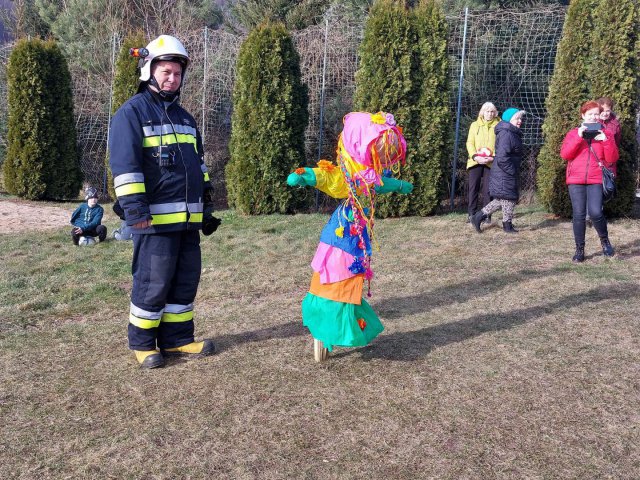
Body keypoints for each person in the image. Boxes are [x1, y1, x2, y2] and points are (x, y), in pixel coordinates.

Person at [108, 35, 221, 369]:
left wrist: (206, 208)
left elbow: (197, 168)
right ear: (149, 70)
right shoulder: (131, 113)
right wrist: (135, 213)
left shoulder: (186, 119)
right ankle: (143, 344)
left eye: (177, 73)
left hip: (187, 220)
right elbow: (126, 168)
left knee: (185, 279)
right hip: (152, 222)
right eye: (166, 71)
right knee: (152, 282)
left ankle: (178, 340)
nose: (172, 78)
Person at [287, 112, 412, 362]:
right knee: (336, 275)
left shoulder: (369, 175)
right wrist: (305, 176)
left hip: (357, 237)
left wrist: (397, 185)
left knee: (349, 280)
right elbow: (326, 176)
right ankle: (325, 329)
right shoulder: (347, 174)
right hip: (343, 234)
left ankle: (338, 327)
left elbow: (378, 183)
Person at [560, 100, 618, 263]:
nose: (593, 117)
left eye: (596, 114)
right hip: (576, 179)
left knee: (596, 212)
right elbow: (565, 155)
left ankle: (605, 241)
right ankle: (580, 249)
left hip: (596, 178)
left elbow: (612, 158)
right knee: (578, 214)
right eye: (590, 114)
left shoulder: (607, 133)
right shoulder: (573, 133)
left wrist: (605, 140)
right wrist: (579, 138)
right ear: (583, 115)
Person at [471, 108, 525, 234]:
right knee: (509, 198)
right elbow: (502, 157)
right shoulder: (507, 133)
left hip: (505, 171)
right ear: (509, 119)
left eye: (521, 118)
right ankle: (507, 224)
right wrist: (512, 171)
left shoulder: (511, 132)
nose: (520, 121)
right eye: (517, 118)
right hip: (504, 172)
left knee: (503, 199)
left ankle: (479, 217)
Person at [465, 102, 500, 223]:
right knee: (473, 188)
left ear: (495, 113)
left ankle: (486, 215)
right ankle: (471, 214)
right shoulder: (474, 125)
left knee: (488, 190)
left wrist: (493, 157)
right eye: (487, 111)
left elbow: (500, 144)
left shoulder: (499, 126)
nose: (490, 114)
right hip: (475, 161)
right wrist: (475, 156)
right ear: (482, 112)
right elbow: (469, 142)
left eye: (492, 112)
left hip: (491, 162)